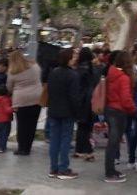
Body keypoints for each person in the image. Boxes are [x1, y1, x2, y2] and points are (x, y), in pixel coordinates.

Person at [46, 49, 81, 180]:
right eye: (73, 57)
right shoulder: (73, 75)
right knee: (66, 140)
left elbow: (49, 91)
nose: (75, 59)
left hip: (53, 110)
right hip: (67, 112)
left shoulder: (53, 72)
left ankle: (53, 168)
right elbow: (74, 97)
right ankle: (63, 168)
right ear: (69, 59)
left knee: (54, 139)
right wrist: (77, 112)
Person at [103, 50, 136, 183]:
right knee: (113, 143)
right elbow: (126, 99)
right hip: (118, 112)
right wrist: (133, 110)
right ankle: (109, 173)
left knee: (112, 142)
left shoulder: (111, 74)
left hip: (109, 109)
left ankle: (111, 169)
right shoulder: (124, 78)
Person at [6, 50, 43, 156]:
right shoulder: (35, 67)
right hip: (36, 98)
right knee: (32, 124)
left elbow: (9, 87)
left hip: (21, 100)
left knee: (22, 125)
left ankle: (22, 148)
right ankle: (28, 147)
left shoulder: (12, 72)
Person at [74, 47, 98, 161]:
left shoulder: (80, 69)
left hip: (82, 100)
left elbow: (77, 86)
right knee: (86, 127)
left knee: (82, 126)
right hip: (90, 100)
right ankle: (85, 150)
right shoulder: (93, 69)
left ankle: (83, 150)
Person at [0, 84, 13, 153]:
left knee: (1, 133)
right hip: (6, 119)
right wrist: (13, 108)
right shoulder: (6, 99)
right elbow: (7, 110)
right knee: (5, 134)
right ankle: (2, 147)